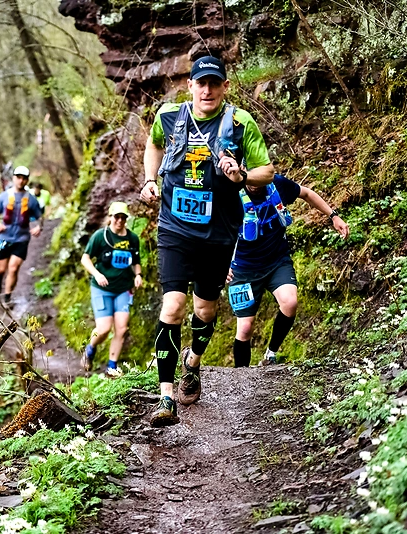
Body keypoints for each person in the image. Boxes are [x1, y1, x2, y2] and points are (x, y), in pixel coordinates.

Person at [140, 55, 275, 427]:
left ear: (225, 87)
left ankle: (193, 361)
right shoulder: (168, 117)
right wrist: (150, 179)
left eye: (215, 83)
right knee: (172, 307)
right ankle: (166, 396)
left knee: (205, 311)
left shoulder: (239, 122)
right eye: (201, 83)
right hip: (175, 228)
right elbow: (153, 145)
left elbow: (268, 171)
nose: (208, 90)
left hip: (218, 233)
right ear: (190, 86)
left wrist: (243, 172)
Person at [227, 174, 349, 366]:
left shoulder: (277, 184)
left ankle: (270, 354)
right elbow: (211, 228)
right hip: (243, 270)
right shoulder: (228, 192)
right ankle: (241, 379)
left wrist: (333, 216)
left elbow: (307, 193)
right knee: (245, 328)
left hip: (277, 261)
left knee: (290, 302)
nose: (256, 184)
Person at [80, 202, 143, 376]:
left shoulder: (132, 239)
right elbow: (85, 258)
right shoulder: (100, 236)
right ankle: (90, 349)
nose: (120, 221)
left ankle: (112, 367)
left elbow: (136, 262)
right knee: (104, 329)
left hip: (124, 288)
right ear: (110, 217)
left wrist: (138, 275)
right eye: (117, 217)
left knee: (121, 329)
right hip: (102, 289)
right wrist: (97, 273)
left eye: (123, 217)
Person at [0, 166, 42, 304]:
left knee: (13, 268)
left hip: (21, 238)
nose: (21, 181)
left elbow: (39, 216)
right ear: (13, 178)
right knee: (0, 269)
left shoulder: (31, 199)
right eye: (18, 177)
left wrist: (38, 227)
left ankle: (7, 298)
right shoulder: (3, 196)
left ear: (27, 181)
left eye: (24, 178)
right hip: (3, 237)